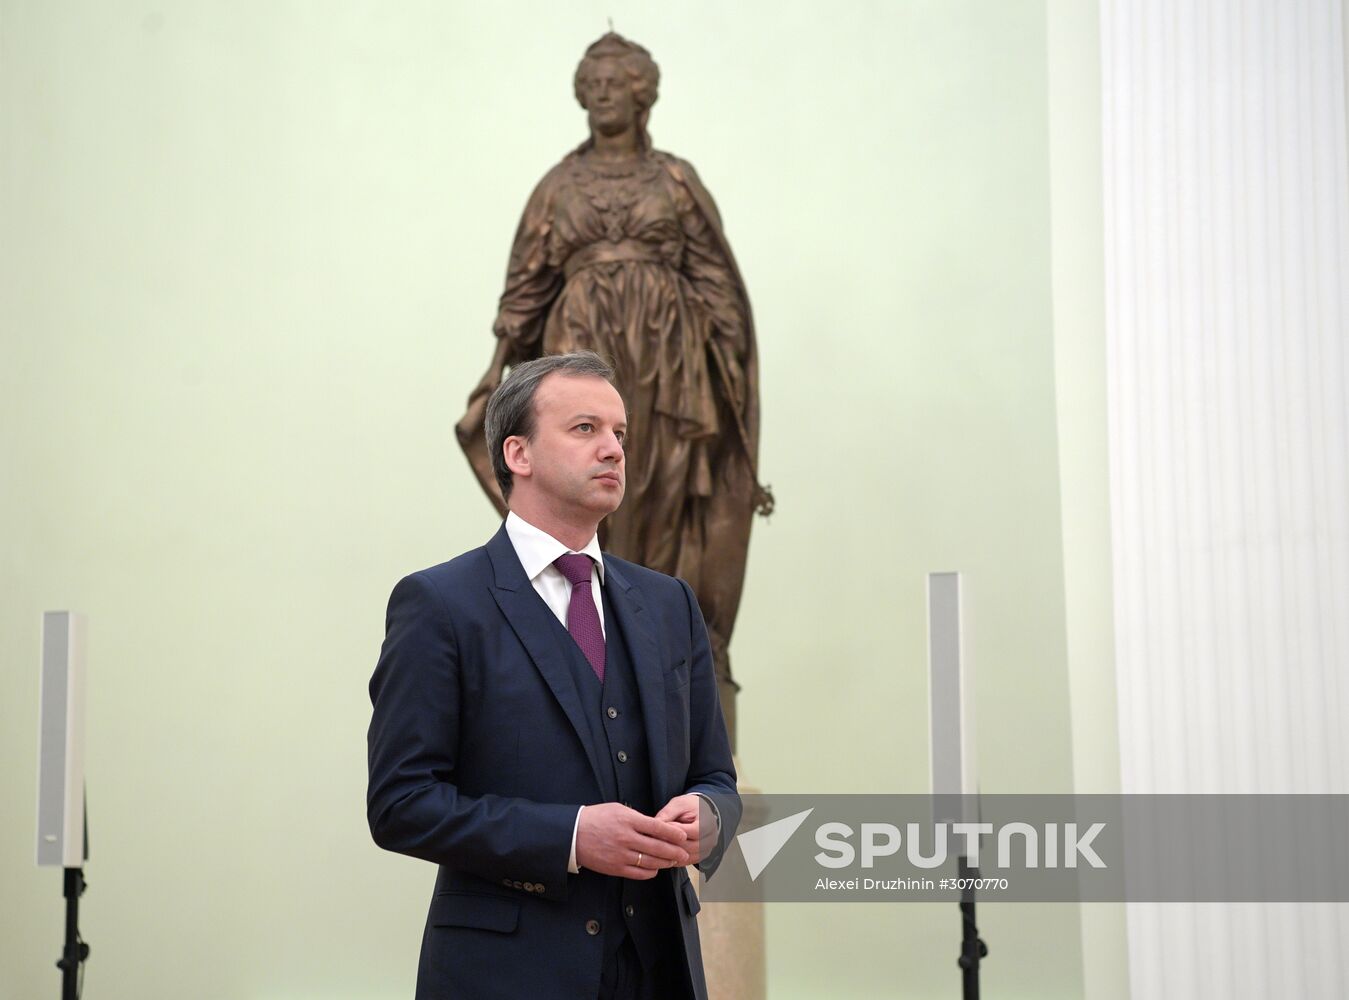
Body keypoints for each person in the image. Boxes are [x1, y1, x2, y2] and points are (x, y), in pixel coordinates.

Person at [369, 351, 742, 999]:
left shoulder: (668, 604)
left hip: (660, 971)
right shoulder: (440, 604)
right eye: (584, 429)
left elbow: (715, 776)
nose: (613, 450)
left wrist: (708, 817)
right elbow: (401, 804)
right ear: (518, 454)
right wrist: (569, 837)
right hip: (507, 974)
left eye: (620, 434)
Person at [455, 32, 772, 745]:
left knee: (655, 493)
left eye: (615, 80)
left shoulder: (675, 181)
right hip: (580, 350)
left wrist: (731, 392)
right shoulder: (557, 187)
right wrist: (497, 366)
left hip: (668, 367)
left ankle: (657, 643)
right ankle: (589, 635)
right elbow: (526, 288)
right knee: (583, 492)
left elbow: (718, 283)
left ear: (641, 91)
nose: (601, 92)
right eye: (590, 81)